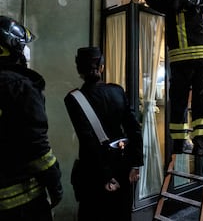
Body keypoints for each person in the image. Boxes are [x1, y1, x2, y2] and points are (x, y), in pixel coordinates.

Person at [64, 47, 143, 221]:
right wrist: (135, 164)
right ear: (102, 66)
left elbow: (88, 141)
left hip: (94, 171)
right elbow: (134, 128)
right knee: (122, 214)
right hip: (123, 166)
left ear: (79, 69)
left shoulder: (73, 98)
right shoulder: (117, 90)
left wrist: (106, 176)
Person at [145, 0, 203, 155]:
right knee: (201, 101)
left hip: (182, 58)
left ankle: (179, 143)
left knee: (179, 100)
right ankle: (200, 145)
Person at [0, 16, 63, 220]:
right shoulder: (20, 87)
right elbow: (38, 149)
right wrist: (55, 185)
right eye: (23, 45)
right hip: (22, 204)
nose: (27, 51)